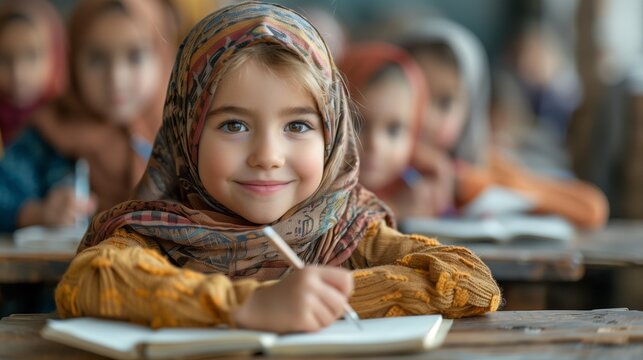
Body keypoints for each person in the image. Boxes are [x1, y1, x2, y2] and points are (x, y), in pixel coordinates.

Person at [55, 3, 501, 333]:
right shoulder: (155, 232)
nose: (267, 155)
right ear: (186, 135)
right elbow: (91, 280)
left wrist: (324, 301)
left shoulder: (346, 229)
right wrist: (249, 305)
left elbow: (472, 281)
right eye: (233, 124)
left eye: (297, 125)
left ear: (332, 134)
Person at [399, 18, 608, 229]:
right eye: (418, 95)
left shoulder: (482, 165)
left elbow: (592, 209)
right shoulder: (376, 165)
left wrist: (470, 184)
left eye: (445, 103)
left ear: (470, 111)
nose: (428, 117)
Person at [0, 0, 178, 232]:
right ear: (73, 61)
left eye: (135, 55)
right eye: (96, 58)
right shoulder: (48, 134)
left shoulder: (182, 137)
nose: (116, 77)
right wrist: (37, 213)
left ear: (162, 57)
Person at [340, 42, 454, 218]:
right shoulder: (315, 197)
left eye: (394, 130)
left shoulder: (413, 186)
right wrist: (394, 211)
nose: (375, 144)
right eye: (357, 124)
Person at [0, 0, 66, 147]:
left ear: (55, 56)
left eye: (31, 56)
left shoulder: (69, 120)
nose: (18, 72)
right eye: (4, 58)